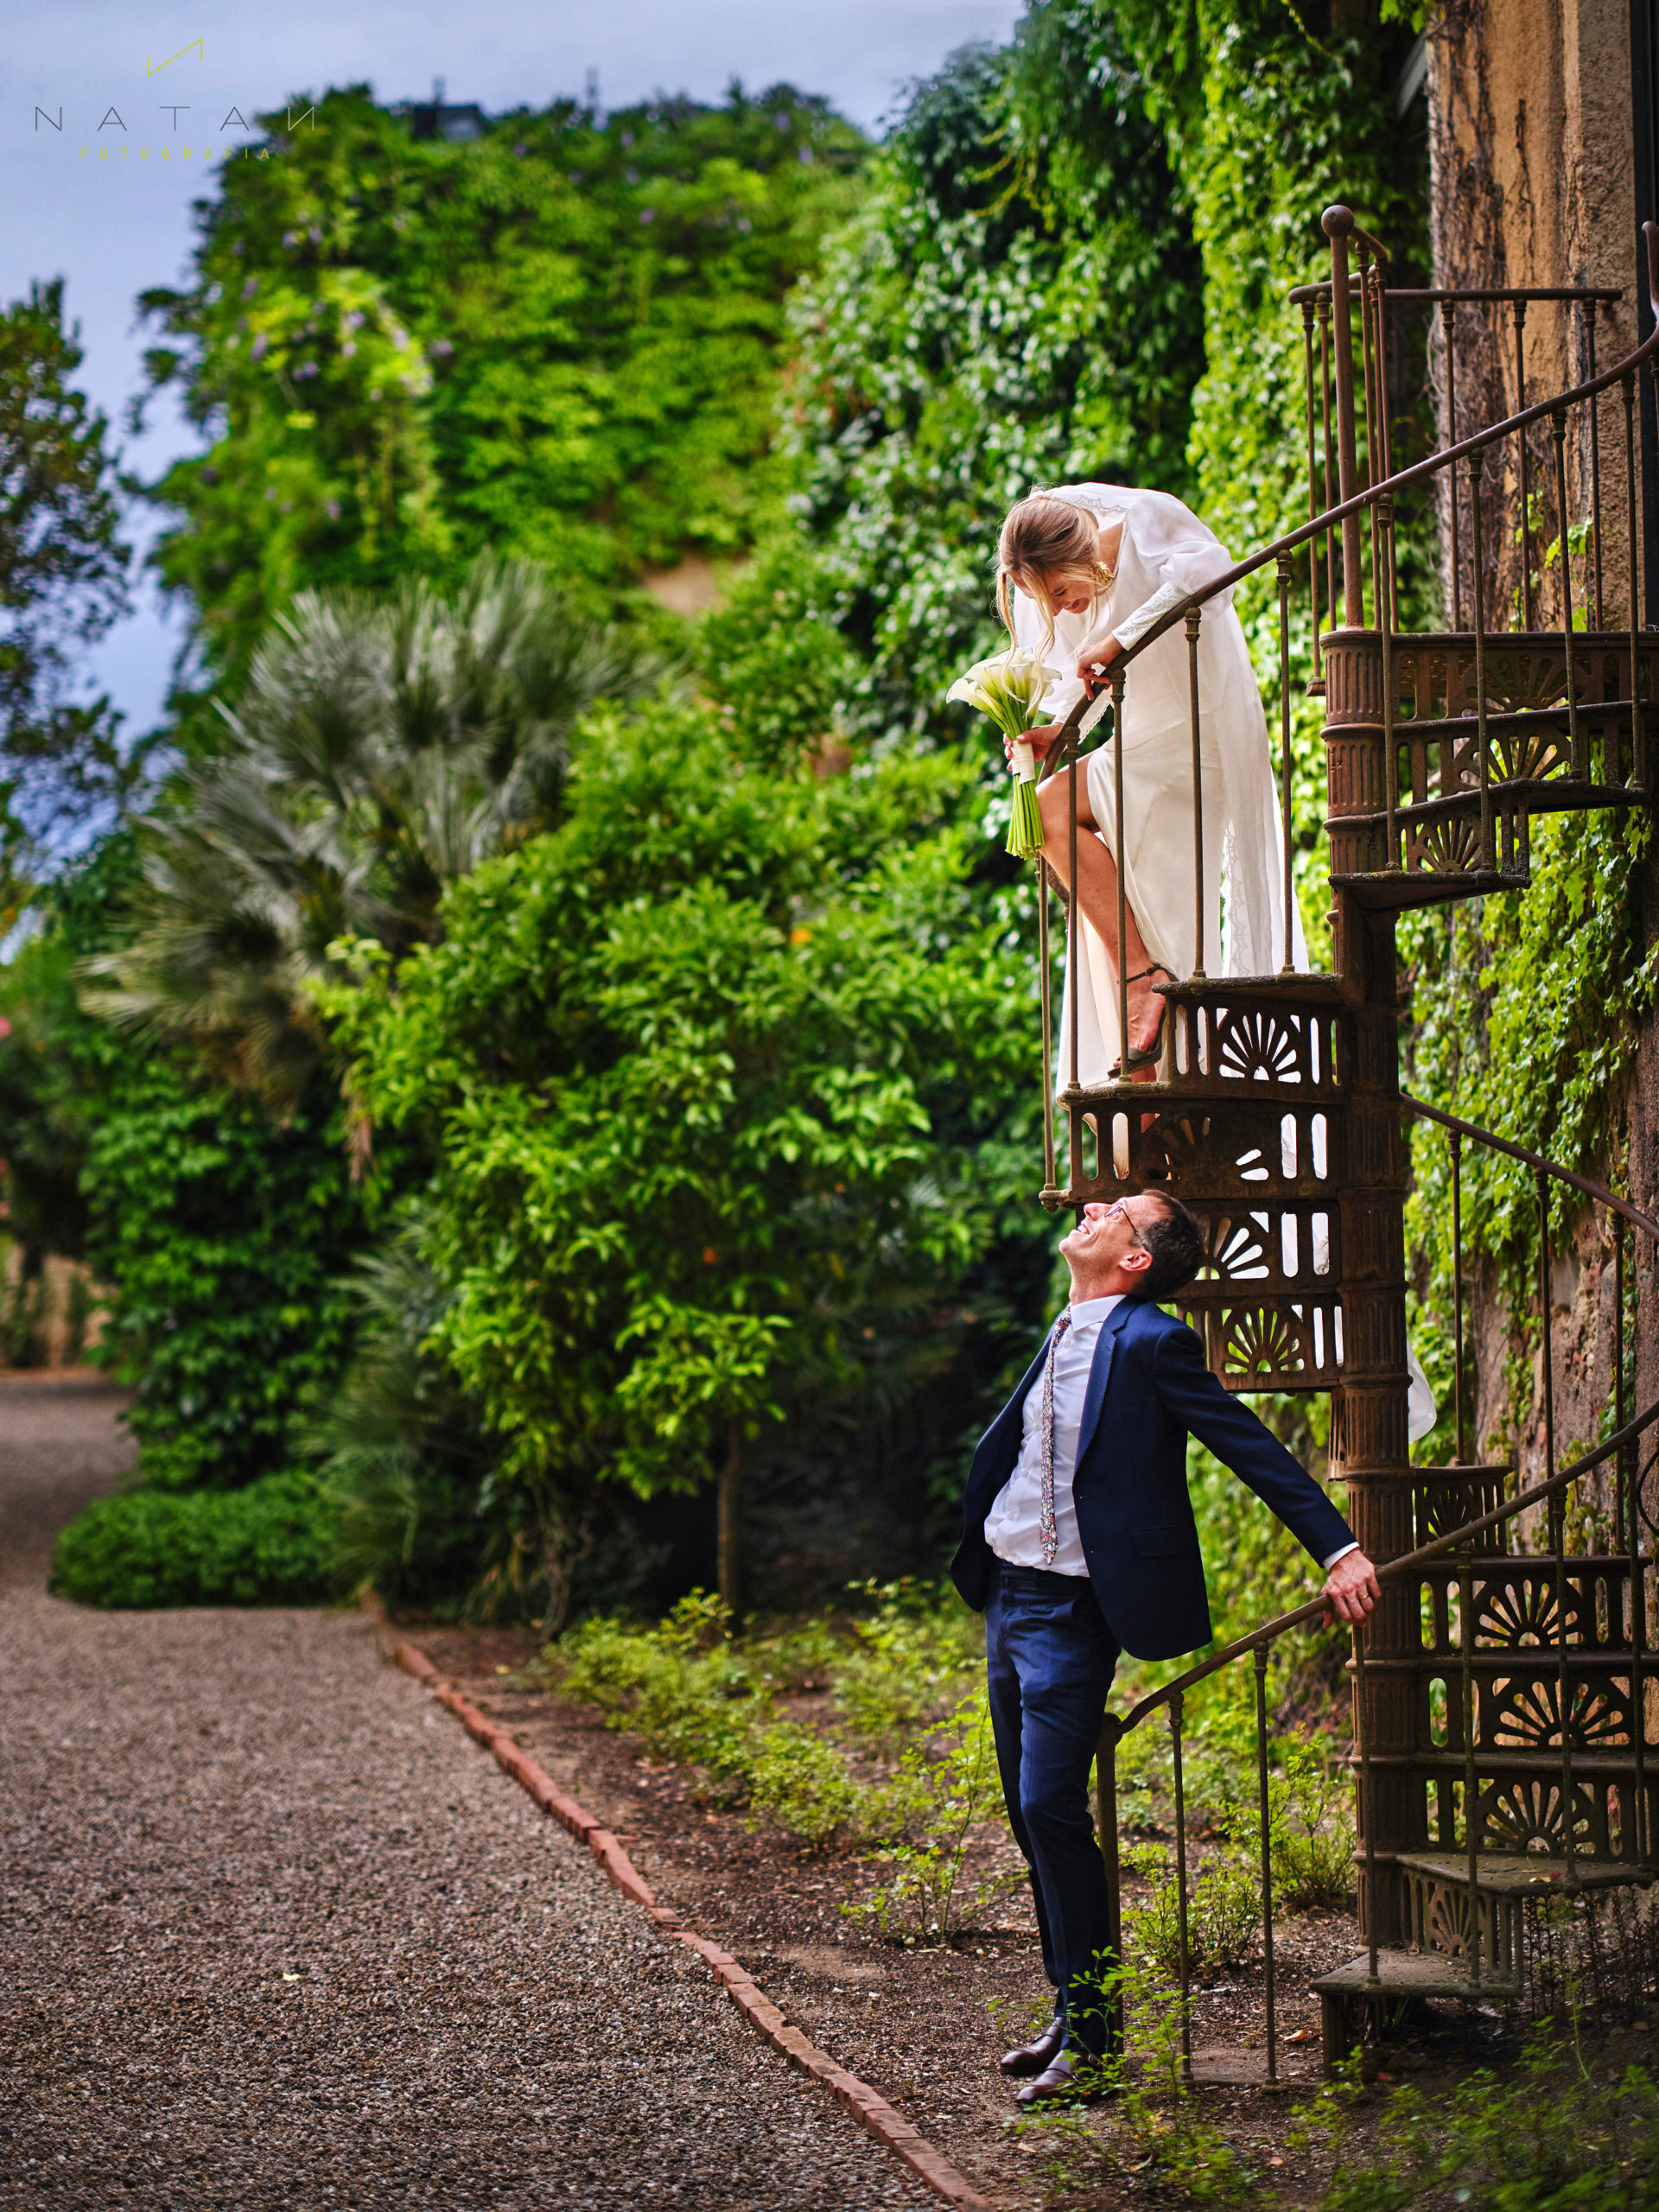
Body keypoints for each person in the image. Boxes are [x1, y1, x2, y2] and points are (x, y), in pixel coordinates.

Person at [950, 1190, 1379, 2107]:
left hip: (1072, 1614)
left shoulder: (1153, 1342)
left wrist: (1337, 1547)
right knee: (1031, 1820)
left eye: (1119, 1210)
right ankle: (1073, 2007)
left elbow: (1246, 1443)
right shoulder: (1067, 1323)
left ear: (1137, 1259)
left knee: (1051, 1807)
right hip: (1008, 1598)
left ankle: (1098, 2049)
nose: (1095, 1203)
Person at [995, 484, 1304, 1084]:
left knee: (1074, 830)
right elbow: (1075, 684)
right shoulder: (1055, 601)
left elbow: (1214, 572)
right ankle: (1142, 980)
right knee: (1054, 818)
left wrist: (1123, 636)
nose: (1059, 609)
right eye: (1044, 599)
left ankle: (1150, 1001)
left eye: (1060, 590)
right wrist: (1055, 731)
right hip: (1135, 746)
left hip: (1197, 738)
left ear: (1081, 545)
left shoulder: (1145, 521)